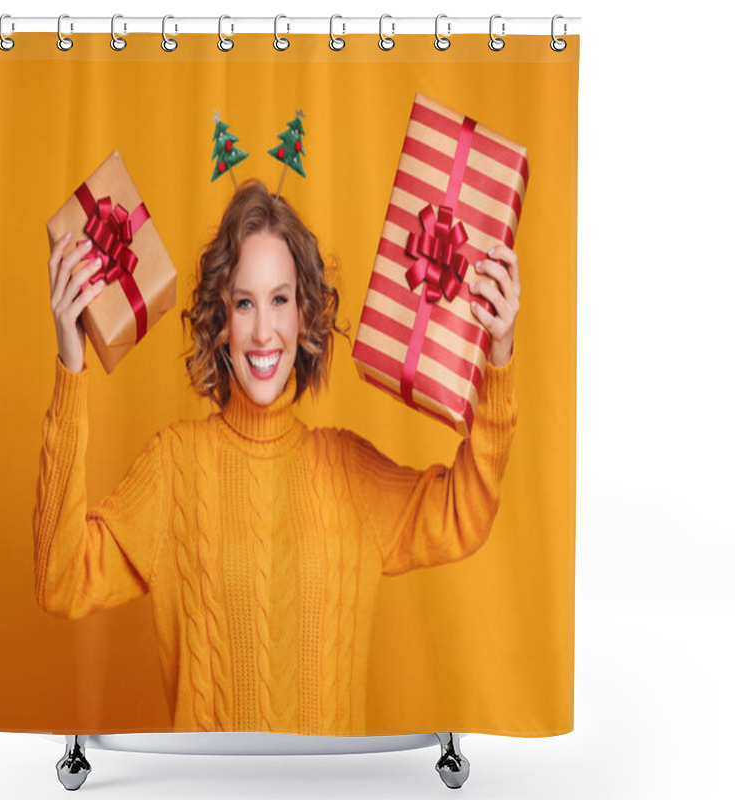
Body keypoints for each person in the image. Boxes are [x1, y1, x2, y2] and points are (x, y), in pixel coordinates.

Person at [33, 178, 519, 735]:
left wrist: (497, 359)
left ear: (305, 316)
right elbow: (60, 577)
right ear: (220, 323)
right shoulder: (174, 467)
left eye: (280, 300)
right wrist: (71, 366)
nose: (263, 332)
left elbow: (466, 513)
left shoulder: (348, 473)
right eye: (244, 303)